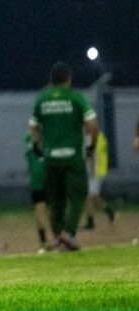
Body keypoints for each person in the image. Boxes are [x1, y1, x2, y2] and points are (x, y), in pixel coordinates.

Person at [29, 62, 98, 252]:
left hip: (51, 157)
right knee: (78, 194)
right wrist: (90, 146)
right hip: (72, 155)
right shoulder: (75, 97)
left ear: (51, 80)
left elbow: (33, 126)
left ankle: (59, 238)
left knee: (56, 200)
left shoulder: (42, 99)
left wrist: (39, 144)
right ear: (68, 78)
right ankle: (69, 234)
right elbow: (92, 124)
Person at [83, 131, 115, 230]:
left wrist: (92, 168)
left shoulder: (91, 137)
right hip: (93, 171)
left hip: (94, 172)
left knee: (89, 197)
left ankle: (90, 222)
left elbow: (90, 154)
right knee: (94, 198)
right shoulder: (98, 136)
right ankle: (109, 210)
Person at [24, 131, 50, 251]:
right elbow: (34, 151)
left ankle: (47, 240)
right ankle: (44, 241)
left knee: (44, 210)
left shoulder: (45, 135)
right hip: (40, 180)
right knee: (41, 210)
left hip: (45, 178)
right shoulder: (30, 138)